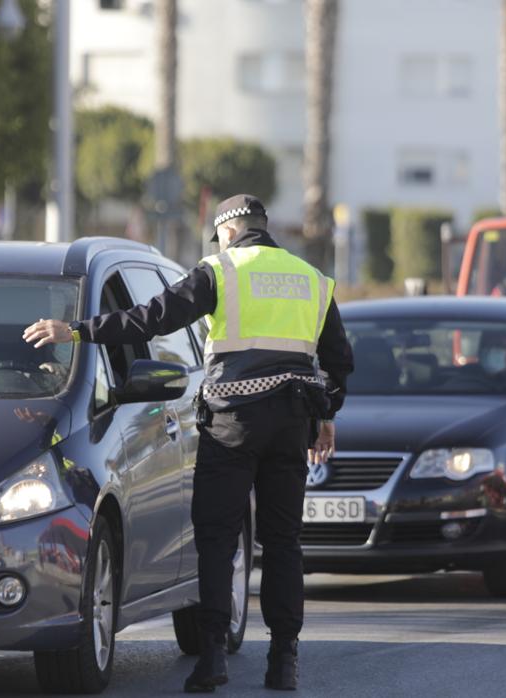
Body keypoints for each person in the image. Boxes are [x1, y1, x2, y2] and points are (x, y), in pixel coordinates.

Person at [22, 194, 354, 693]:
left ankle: (213, 657)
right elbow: (339, 361)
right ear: (263, 228)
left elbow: (150, 318)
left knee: (217, 540)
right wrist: (326, 415)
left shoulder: (219, 271)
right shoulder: (312, 279)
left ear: (227, 232)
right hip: (290, 423)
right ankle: (284, 661)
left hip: (232, 425)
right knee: (284, 543)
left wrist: (74, 330)